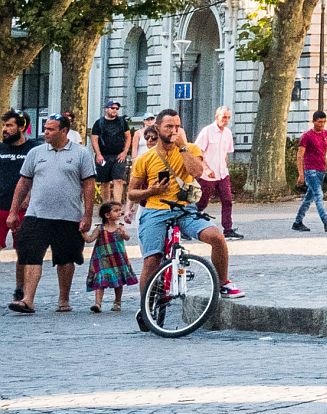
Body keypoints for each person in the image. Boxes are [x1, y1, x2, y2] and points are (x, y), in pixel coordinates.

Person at [130, 108, 237, 305]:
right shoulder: (145, 158)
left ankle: (223, 282)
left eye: (177, 126)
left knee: (217, 237)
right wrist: (149, 192)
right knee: (152, 259)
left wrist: (183, 148)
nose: (174, 131)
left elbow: (197, 172)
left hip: (184, 209)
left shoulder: (190, 149)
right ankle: (145, 305)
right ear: (158, 128)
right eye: (169, 126)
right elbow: (131, 193)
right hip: (156, 210)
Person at [8, 113, 98, 315]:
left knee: (66, 258)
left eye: (50, 129)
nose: (45, 132)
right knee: (30, 255)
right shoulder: (36, 152)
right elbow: (23, 183)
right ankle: (28, 299)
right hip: (37, 214)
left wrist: (87, 215)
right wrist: (14, 211)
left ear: (64, 131)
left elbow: (89, 186)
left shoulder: (81, 154)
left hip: (68, 216)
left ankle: (63, 299)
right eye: (45, 128)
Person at [196, 104, 243, 239]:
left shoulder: (228, 133)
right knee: (202, 202)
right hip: (208, 175)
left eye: (228, 118)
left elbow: (225, 153)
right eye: (224, 117)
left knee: (227, 200)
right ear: (217, 117)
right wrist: (206, 168)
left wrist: (226, 167)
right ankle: (188, 223)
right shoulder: (207, 131)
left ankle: (227, 229)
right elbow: (197, 152)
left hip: (222, 173)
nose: (226, 120)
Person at [85, 199, 135, 313]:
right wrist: (83, 232)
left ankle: (117, 302)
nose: (119, 213)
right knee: (100, 279)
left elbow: (127, 237)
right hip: (103, 259)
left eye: (120, 211)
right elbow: (90, 239)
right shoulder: (100, 228)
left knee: (118, 281)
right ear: (107, 215)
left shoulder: (120, 227)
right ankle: (98, 303)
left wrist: (124, 234)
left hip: (117, 259)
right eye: (116, 211)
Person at [293, 111, 327, 233]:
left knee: (308, 198)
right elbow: (300, 155)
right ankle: (326, 221)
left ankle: (297, 222)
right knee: (318, 195)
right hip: (310, 170)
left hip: (321, 170)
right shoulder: (307, 136)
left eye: (324, 122)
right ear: (313, 121)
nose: (322, 124)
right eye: (319, 122)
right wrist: (301, 174)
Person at [87, 100, 133, 207]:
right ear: (106, 109)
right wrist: (98, 154)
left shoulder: (122, 122)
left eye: (117, 109)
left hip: (118, 155)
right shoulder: (99, 123)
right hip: (103, 155)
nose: (115, 110)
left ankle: (117, 205)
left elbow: (128, 136)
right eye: (113, 108)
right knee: (105, 182)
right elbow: (94, 139)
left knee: (118, 179)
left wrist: (125, 152)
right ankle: (106, 206)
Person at [0, 110, 32, 252]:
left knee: (23, 254)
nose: (4, 129)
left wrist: (29, 195)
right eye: (4, 126)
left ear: (21, 127)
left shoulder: (34, 149)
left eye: (9, 125)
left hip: (24, 209)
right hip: (1, 206)